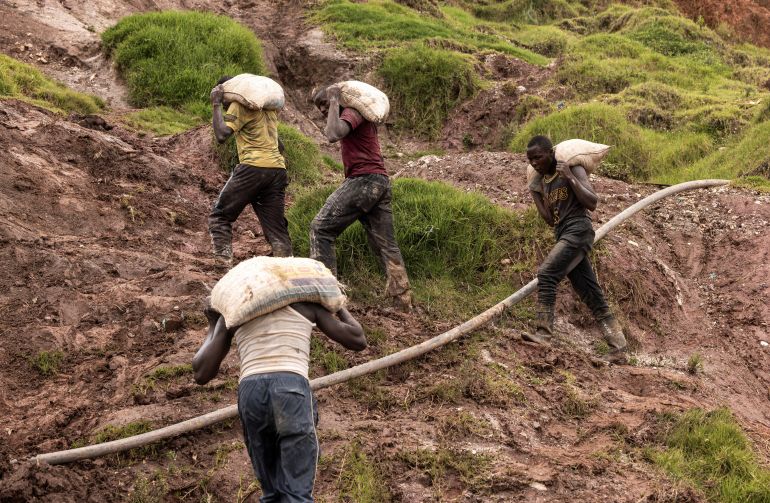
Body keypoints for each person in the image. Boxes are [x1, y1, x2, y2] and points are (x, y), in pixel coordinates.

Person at [192, 295, 367, 502]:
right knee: (297, 493)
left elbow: (201, 372)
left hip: (252, 394)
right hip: (291, 389)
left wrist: (214, 324)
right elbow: (358, 340)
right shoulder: (304, 303)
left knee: (272, 493)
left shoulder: (235, 310)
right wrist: (337, 304)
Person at [524, 135, 627, 362]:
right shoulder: (544, 182)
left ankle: (543, 333)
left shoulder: (573, 168)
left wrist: (569, 177)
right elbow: (550, 220)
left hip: (578, 230)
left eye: (538, 157)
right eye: (530, 160)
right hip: (562, 232)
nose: (534, 163)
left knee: (547, 274)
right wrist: (535, 193)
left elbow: (592, 202)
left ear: (551, 153)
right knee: (590, 292)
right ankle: (619, 347)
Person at [310, 85, 412, 311]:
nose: (324, 111)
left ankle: (325, 299)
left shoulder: (352, 113)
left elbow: (332, 135)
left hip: (364, 180)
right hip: (380, 182)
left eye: (325, 105)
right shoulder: (357, 114)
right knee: (386, 244)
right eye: (321, 109)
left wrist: (334, 101)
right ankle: (403, 300)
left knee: (320, 229)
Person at [208, 76, 292, 265]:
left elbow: (221, 135)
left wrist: (215, 105)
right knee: (276, 229)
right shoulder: (268, 111)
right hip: (277, 170)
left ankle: (222, 266)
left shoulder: (239, 106)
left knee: (220, 216)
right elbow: (280, 147)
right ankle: (287, 268)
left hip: (253, 168)